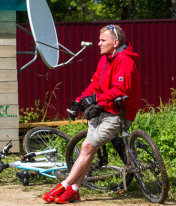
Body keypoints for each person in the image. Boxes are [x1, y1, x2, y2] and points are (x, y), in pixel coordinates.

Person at [42, 24, 141, 204]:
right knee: (89, 149)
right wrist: (79, 101)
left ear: (115, 42)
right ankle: (74, 190)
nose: (98, 43)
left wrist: (97, 100)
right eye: (99, 40)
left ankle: (64, 185)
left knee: (87, 147)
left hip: (118, 113)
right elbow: (94, 85)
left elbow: (121, 89)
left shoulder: (124, 60)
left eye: (103, 40)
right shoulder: (105, 60)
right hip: (101, 110)